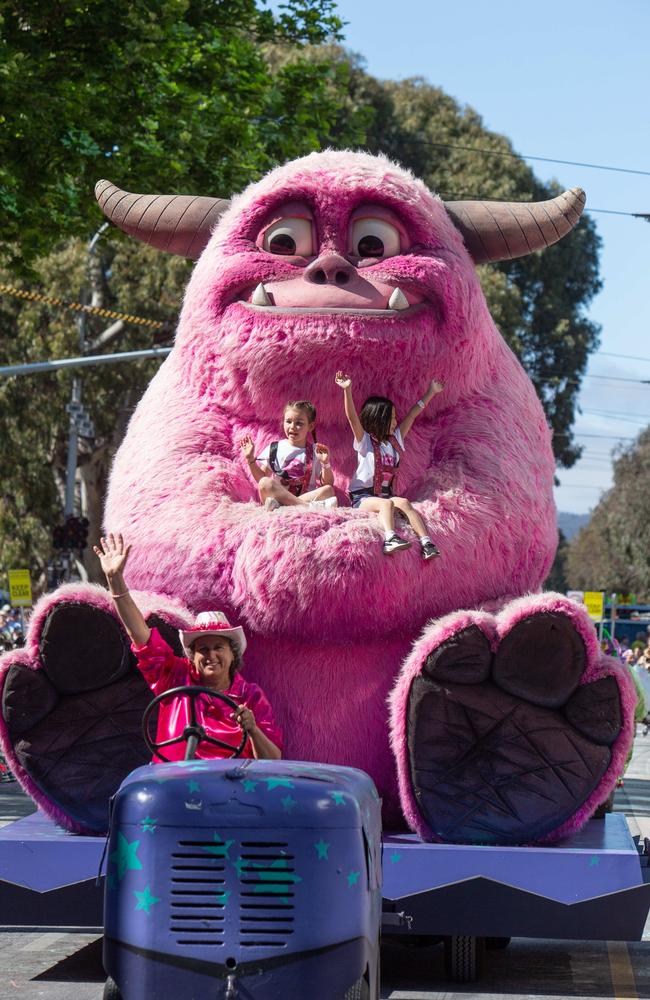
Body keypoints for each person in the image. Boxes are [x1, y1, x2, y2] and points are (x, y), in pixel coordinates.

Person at [94, 533, 282, 762]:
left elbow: (273, 761)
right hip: (174, 786)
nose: (210, 655)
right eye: (202, 649)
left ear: (233, 655)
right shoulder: (175, 677)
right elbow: (140, 635)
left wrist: (252, 729)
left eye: (218, 647)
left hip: (229, 790)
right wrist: (115, 581)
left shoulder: (250, 697)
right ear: (192, 657)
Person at [335, 371, 443, 558]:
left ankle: (427, 543)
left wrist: (431, 392)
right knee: (387, 505)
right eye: (391, 418)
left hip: (387, 495)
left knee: (405, 503)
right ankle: (390, 538)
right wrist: (347, 390)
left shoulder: (394, 441)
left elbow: (412, 415)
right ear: (378, 419)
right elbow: (352, 418)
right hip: (363, 498)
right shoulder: (365, 441)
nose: (395, 421)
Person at [241, 399, 337, 511]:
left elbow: (327, 483)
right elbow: (261, 477)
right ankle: (306, 507)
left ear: (310, 427)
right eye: (288, 421)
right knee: (264, 482)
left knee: (329, 490)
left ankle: (285, 508)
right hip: (279, 497)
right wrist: (250, 459)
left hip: (299, 498)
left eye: (299, 423)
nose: (292, 426)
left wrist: (325, 463)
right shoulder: (274, 448)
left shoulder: (315, 451)